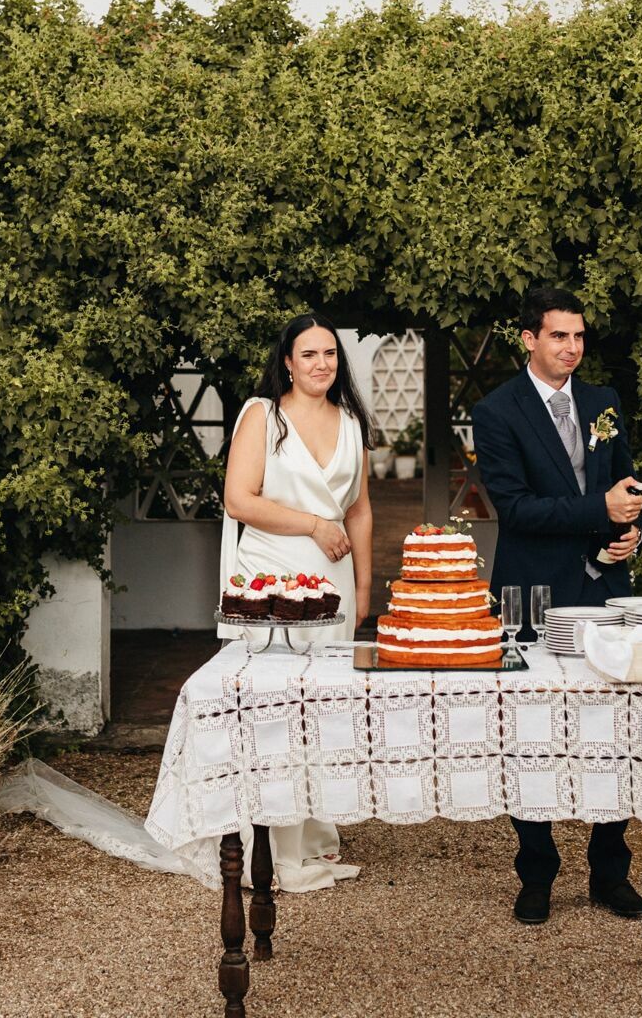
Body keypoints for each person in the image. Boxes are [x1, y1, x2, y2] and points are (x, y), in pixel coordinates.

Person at [470, 286, 642, 925]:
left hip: (604, 585)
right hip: (526, 588)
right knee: (530, 730)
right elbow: (514, 510)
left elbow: (623, 482)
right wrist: (597, 511)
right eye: (557, 336)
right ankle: (537, 871)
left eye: (578, 337)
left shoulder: (604, 403)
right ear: (529, 339)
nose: (571, 348)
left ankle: (609, 870)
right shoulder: (495, 412)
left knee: (611, 726)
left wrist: (628, 531)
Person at [219, 311, 375, 890]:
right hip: (272, 580)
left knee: (322, 713)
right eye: (309, 354)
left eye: (330, 354)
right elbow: (239, 499)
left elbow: (358, 509)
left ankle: (312, 838)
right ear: (287, 361)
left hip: (332, 584)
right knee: (275, 713)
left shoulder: (352, 421)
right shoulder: (263, 415)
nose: (321, 364)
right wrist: (312, 524)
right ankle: (273, 853)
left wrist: (362, 587)